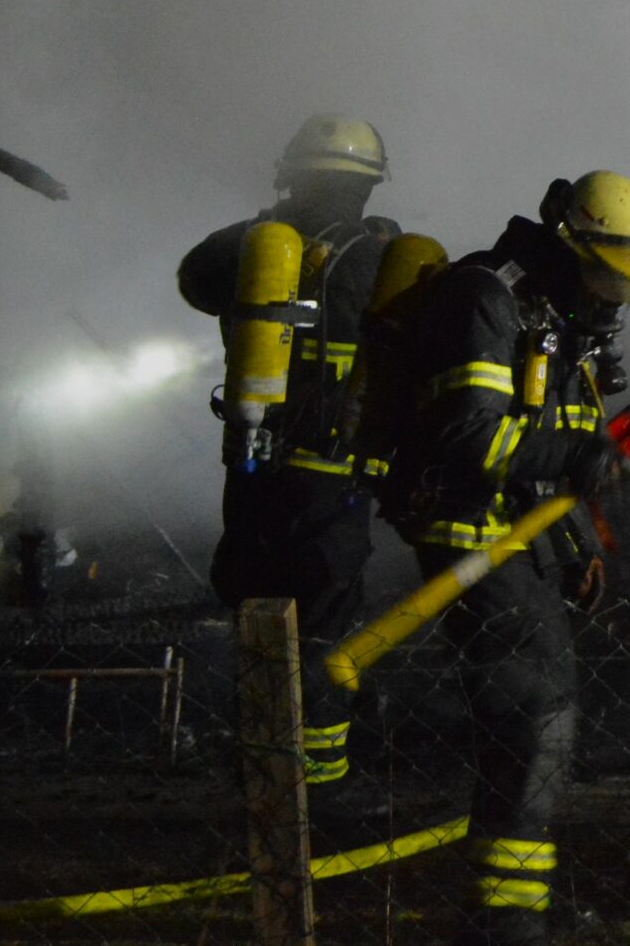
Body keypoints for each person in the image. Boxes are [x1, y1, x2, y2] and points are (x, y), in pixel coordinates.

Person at [370, 170, 630, 944]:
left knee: (535, 726)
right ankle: (507, 922)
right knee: (533, 722)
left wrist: (574, 541)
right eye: (607, 272)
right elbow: (470, 437)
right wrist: (580, 456)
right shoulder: (487, 299)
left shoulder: (557, 315)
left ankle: (508, 905)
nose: (616, 295)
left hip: (520, 542)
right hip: (472, 542)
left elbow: (555, 447)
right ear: (569, 245)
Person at [177, 115, 400, 800]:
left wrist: (272, 225)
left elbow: (193, 279)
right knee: (324, 633)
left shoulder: (250, 249)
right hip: (332, 482)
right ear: (366, 185)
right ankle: (319, 791)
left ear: (291, 174)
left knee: (258, 617)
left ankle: (258, 772)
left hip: (252, 468)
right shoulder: (375, 256)